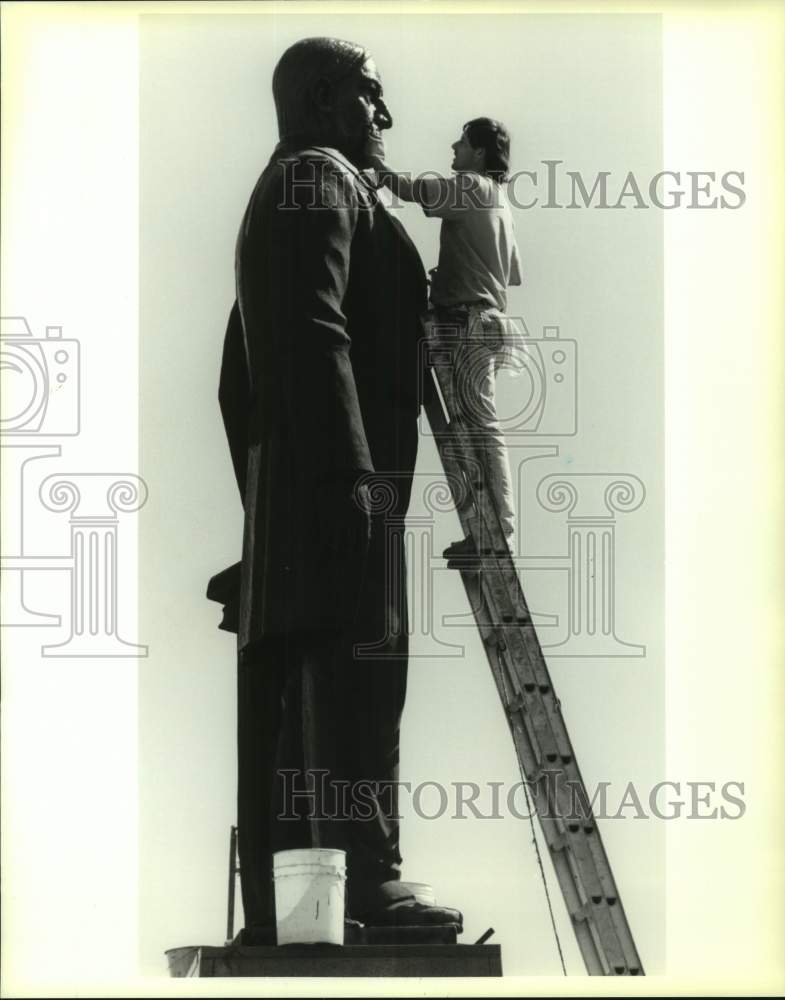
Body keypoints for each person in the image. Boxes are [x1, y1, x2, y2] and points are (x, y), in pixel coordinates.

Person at [207, 37, 462, 939]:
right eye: (368, 94)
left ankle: (317, 891)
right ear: (322, 100)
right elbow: (310, 333)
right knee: (352, 671)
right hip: (344, 484)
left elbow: (236, 381)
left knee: (332, 675)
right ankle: (361, 881)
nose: (384, 117)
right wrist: (347, 481)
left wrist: (267, 509)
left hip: (324, 485)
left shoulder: (314, 183)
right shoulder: (317, 176)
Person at [370, 118, 523, 557]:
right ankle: (492, 532)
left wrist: (378, 167)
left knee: (478, 425)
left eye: (461, 142)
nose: (453, 148)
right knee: (479, 425)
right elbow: (510, 272)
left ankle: (500, 534)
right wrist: (461, 270)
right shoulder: (500, 203)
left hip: (469, 323)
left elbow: (417, 190)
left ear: (478, 151)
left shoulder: (471, 185)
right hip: (487, 318)